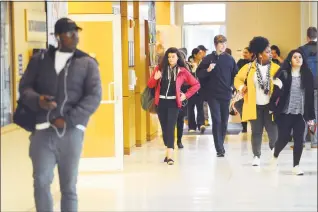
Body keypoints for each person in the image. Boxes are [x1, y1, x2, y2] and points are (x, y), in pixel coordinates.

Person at [19, 18, 102, 211]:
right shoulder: (39, 61)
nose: (75, 36)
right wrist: (37, 100)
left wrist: (69, 119)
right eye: (69, 33)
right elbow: (24, 88)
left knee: (68, 187)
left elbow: (94, 95)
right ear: (58, 37)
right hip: (42, 131)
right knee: (40, 181)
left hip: (71, 132)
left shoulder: (87, 63)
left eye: (76, 32)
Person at [147, 47, 200, 165]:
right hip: (160, 103)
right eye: (169, 57)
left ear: (177, 58)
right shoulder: (159, 69)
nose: (171, 59)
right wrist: (155, 79)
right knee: (165, 130)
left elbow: (196, 85)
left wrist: (185, 95)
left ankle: (170, 156)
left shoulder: (182, 71)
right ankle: (168, 150)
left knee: (170, 127)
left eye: (173, 57)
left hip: (174, 103)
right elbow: (150, 84)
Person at [234, 36, 279, 166]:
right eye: (267, 52)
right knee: (256, 132)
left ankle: (274, 152)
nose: (270, 54)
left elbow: (283, 83)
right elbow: (237, 79)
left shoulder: (276, 68)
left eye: (270, 51)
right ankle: (256, 156)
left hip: (271, 106)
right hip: (254, 105)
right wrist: (242, 87)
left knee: (273, 132)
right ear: (259, 54)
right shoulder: (249, 68)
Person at [269, 49, 315, 175]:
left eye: (300, 57)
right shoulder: (283, 74)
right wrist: (272, 106)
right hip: (285, 113)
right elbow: (275, 94)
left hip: (300, 114)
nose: (298, 59)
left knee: (299, 139)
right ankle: (275, 155)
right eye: (295, 57)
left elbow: (310, 97)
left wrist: (311, 117)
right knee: (284, 138)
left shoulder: (307, 74)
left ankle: (296, 166)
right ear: (290, 60)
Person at [197, 35, 238, 157]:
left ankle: (221, 143)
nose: (224, 45)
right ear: (215, 45)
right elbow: (199, 74)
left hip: (226, 94)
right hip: (212, 94)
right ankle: (219, 148)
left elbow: (236, 75)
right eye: (221, 43)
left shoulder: (230, 59)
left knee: (224, 121)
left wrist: (234, 88)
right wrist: (208, 70)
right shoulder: (207, 59)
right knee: (216, 119)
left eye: (225, 43)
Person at [299, 26, 317, 148]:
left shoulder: (301, 50)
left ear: (307, 37)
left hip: (305, 85)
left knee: (304, 112)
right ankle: (315, 141)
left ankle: (301, 141)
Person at [235, 47, 255, 133]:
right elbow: (237, 74)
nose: (244, 54)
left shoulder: (254, 63)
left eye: (246, 52)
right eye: (243, 52)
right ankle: (244, 126)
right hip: (242, 88)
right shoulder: (240, 62)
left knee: (250, 107)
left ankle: (253, 125)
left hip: (252, 89)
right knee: (240, 105)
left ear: (251, 54)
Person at [187, 48, 206, 133]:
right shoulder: (188, 64)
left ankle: (201, 124)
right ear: (195, 55)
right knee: (190, 108)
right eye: (199, 54)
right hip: (190, 89)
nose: (201, 55)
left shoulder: (203, 63)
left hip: (200, 89)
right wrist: (193, 70)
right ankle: (192, 126)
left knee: (200, 107)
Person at [197, 45, 210, 126]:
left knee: (204, 103)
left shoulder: (206, 61)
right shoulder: (195, 61)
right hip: (198, 86)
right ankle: (202, 120)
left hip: (204, 86)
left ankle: (205, 119)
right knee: (201, 104)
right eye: (204, 52)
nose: (205, 53)